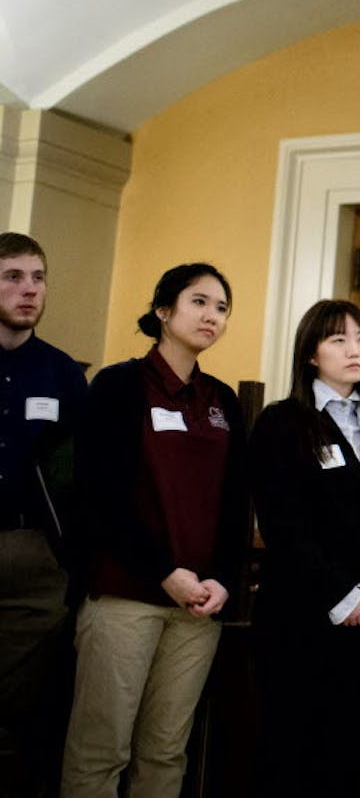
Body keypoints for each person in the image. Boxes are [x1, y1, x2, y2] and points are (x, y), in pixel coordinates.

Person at [61, 263, 248, 798]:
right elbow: (101, 497)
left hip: (199, 605)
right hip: (127, 592)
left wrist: (219, 579)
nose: (212, 316)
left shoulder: (222, 400)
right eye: (199, 302)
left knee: (166, 753)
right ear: (164, 312)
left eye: (221, 307)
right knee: (102, 749)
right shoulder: (119, 385)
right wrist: (166, 572)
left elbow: (236, 504)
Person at [249, 299, 360, 798]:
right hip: (300, 613)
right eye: (338, 339)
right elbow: (284, 525)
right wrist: (341, 596)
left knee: (350, 749)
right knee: (291, 749)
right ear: (311, 353)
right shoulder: (283, 421)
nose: (354, 349)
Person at [0, 233, 88, 798]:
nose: (29, 290)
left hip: (34, 558)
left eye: (38, 277)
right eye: (13, 277)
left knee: (18, 708)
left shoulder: (62, 374)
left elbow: (81, 476)